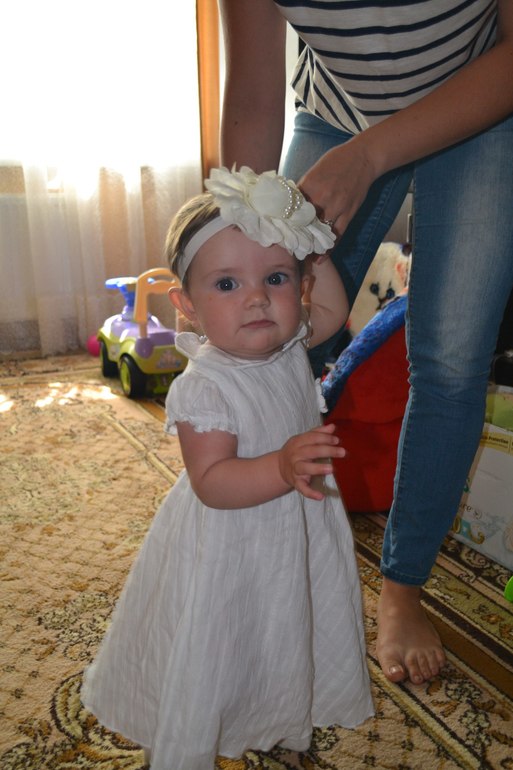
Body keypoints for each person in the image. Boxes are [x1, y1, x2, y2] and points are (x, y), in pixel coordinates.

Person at [218, 0, 513, 686]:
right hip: (335, 112)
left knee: (449, 363)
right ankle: (246, 543)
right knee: (268, 336)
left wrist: (372, 154)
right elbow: (254, 95)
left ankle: (402, 589)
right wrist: (232, 249)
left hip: (481, 109)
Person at [81, 166, 374, 769]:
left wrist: (313, 248)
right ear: (187, 306)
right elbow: (212, 482)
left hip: (295, 528)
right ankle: (201, 726)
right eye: (227, 284)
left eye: (276, 277)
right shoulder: (204, 387)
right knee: (227, 637)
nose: (257, 297)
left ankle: (280, 714)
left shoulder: (289, 343)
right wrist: (282, 466)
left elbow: (332, 310)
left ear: (299, 284)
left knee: (285, 625)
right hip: (231, 543)